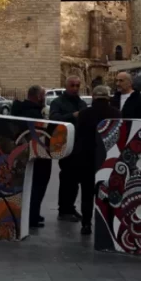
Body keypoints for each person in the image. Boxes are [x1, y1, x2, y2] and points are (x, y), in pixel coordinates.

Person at [74, 85, 121, 236]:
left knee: (87, 193)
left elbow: (79, 137)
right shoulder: (116, 113)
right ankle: (107, 225)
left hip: (87, 158)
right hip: (108, 158)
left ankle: (86, 224)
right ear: (108, 97)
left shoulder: (84, 114)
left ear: (93, 97)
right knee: (107, 191)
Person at [49, 75, 88, 221]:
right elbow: (54, 119)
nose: (75, 88)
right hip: (65, 146)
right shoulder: (58, 102)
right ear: (66, 86)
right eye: (72, 85)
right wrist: (72, 116)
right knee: (67, 178)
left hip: (80, 146)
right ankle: (64, 209)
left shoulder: (82, 103)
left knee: (76, 179)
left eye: (78, 85)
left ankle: (70, 207)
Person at [12, 85, 50, 228]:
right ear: (39, 97)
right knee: (38, 185)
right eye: (44, 95)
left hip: (20, 151)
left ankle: (29, 213)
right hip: (36, 152)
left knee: (26, 183)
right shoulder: (34, 113)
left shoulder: (18, 109)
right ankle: (32, 215)